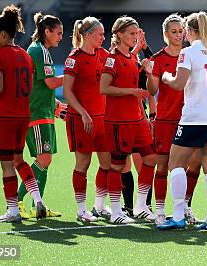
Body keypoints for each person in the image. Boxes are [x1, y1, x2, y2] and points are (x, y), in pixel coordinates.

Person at [154, 12, 207, 231]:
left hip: (194, 117)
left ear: (188, 31)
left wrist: (166, 76)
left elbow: (178, 83)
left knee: (175, 163)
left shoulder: (187, 52)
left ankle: (177, 216)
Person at [0, 4, 47, 222]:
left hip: (5, 116)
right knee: (19, 159)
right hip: (22, 116)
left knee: (7, 164)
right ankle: (37, 198)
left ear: (3, 34)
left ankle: (13, 210)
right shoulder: (25, 56)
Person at [99, 16, 156, 224]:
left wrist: (148, 73)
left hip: (137, 120)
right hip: (119, 121)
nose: (135, 37)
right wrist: (131, 91)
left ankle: (140, 206)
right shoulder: (112, 58)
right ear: (120, 34)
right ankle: (115, 212)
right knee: (118, 165)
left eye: (137, 33)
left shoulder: (132, 58)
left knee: (150, 159)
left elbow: (147, 87)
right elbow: (104, 88)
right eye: (132, 33)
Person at [17, 12, 65, 219]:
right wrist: (73, 74)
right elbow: (50, 82)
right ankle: (17, 201)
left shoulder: (40, 50)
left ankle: (39, 206)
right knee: (43, 158)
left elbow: (38, 84)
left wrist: (53, 103)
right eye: (59, 33)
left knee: (45, 159)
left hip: (43, 111)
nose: (61, 37)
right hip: (36, 113)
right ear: (47, 31)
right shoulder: (39, 51)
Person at [64, 16, 111, 223]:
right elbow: (67, 91)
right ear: (89, 35)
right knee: (83, 164)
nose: (103, 37)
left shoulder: (104, 54)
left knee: (107, 163)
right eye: (100, 34)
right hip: (81, 120)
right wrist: (83, 112)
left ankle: (99, 206)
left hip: (103, 119)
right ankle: (82, 209)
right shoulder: (74, 58)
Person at [145, 13, 185, 225]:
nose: (178, 35)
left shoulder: (191, 55)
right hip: (166, 119)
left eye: (181, 31)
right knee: (162, 165)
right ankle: (160, 210)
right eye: (174, 32)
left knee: (184, 167)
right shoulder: (158, 59)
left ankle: (183, 207)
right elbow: (152, 90)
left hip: (189, 120)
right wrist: (150, 74)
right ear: (165, 34)